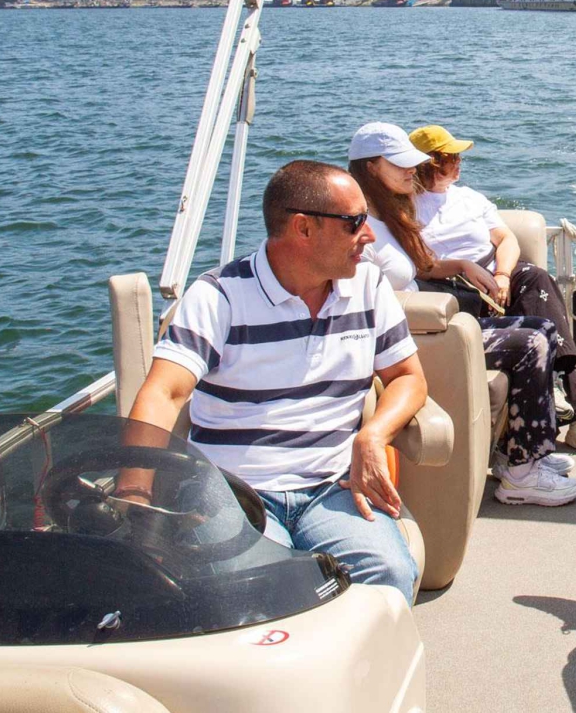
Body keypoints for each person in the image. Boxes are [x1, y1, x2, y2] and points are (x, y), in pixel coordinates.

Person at [118, 160, 425, 600]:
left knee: (388, 574)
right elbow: (164, 394)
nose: (370, 235)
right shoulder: (220, 296)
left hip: (333, 487)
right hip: (232, 493)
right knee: (255, 590)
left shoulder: (368, 286)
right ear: (303, 228)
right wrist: (134, 496)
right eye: (355, 222)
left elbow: (408, 378)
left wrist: (372, 436)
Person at [349, 122, 576, 506]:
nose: (411, 170)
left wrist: (461, 265)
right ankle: (523, 477)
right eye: (401, 164)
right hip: (417, 337)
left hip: (430, 327)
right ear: (371, 168)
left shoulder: (391, 216)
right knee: (531, 342)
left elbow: (423, 265)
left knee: (541, 326)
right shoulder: (361, 230)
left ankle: (517, 455)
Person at [406, 124, 576, 459]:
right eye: (451, 157)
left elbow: (505, 239)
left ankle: (573, 407)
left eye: (458, 156)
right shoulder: (406, 208)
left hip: (495, 272)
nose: (459, 162)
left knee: (537, 279)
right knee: (502, 301)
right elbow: (419, 263)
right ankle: (567, 407)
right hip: (449, 283)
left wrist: (503, 275)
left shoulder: (470, 198)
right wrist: (464, 267)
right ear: (427, 163)